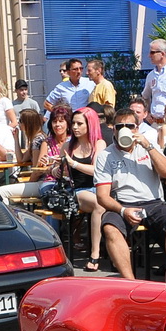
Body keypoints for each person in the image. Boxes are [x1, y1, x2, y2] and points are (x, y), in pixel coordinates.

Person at [97, 107, 166, 279]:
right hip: (122, 203)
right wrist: (123, 210)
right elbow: (102, 196)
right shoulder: (105, 155)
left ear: (137, 128)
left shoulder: (148, 147)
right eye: (119, 126)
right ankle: (129, 281)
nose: (125, 130)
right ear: (113, 129)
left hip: (153, 202)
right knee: (110, 227)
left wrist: (148, 146)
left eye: (130, 126)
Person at [59, 108, 108, 271]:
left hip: (98, 187)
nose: (75, 127)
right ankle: (95, 254)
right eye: (73, 123)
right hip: (78, 191)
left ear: (90, 124)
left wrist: (73, 164)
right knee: (98, 204)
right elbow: (59, 172)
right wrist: (55, 169)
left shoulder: (99, 144)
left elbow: (97, 170)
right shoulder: (68, 145)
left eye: (80, 123)